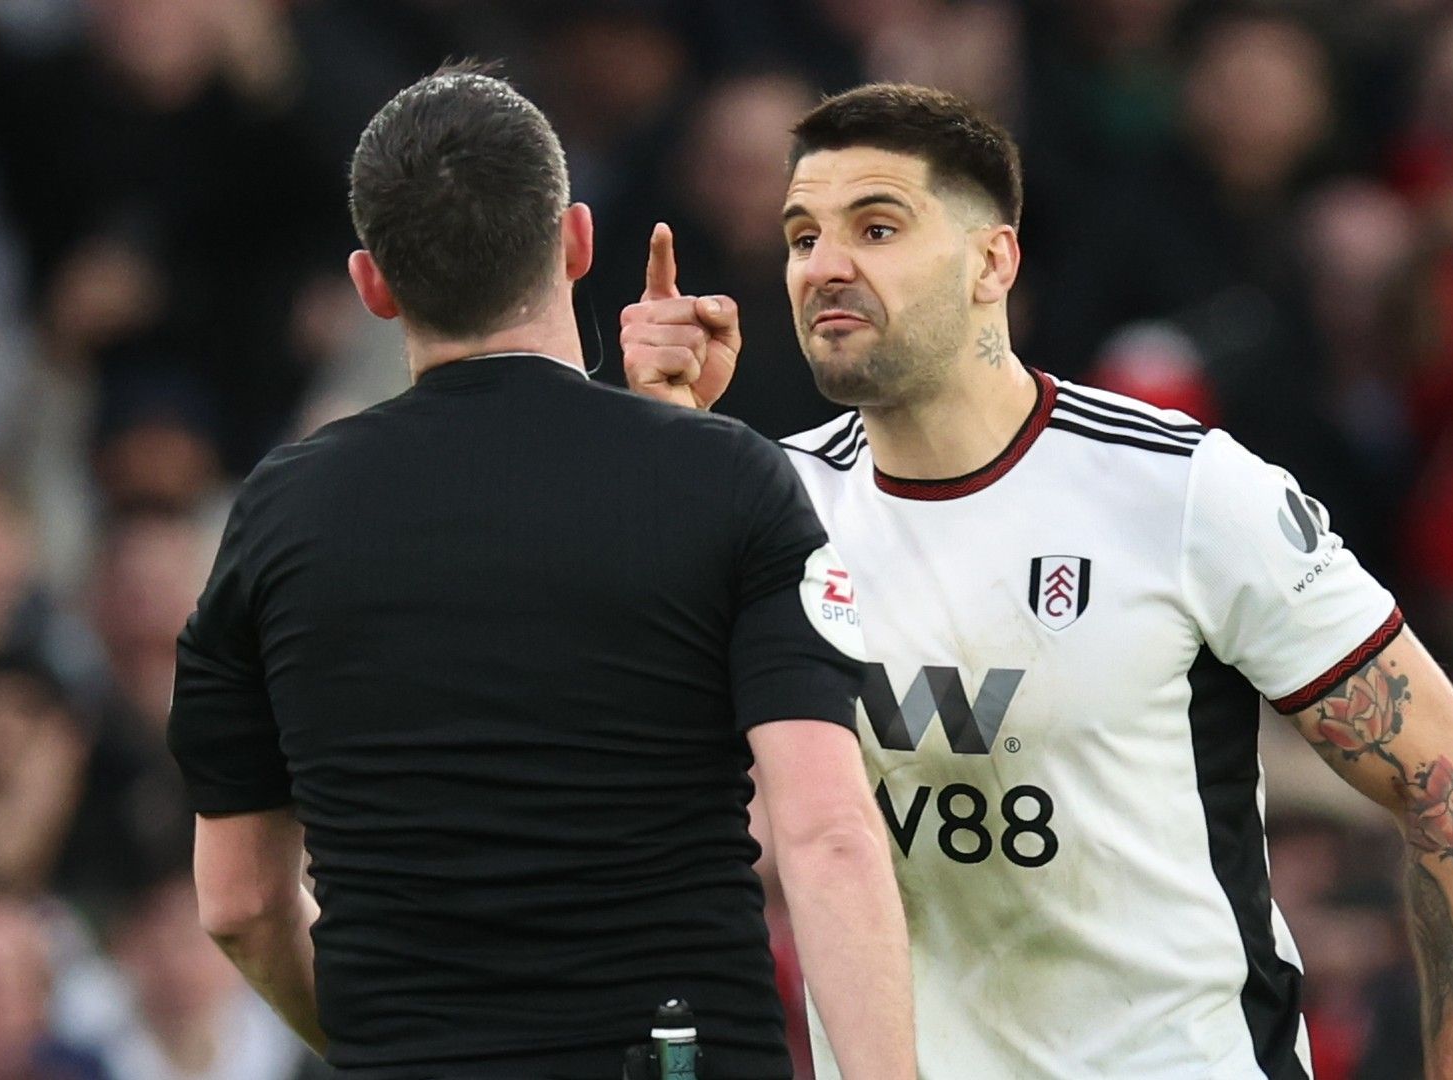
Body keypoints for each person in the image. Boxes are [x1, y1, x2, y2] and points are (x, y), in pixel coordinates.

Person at [622, 82, 1453, 1078]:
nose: (825, 267)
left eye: (876, 228)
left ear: (992, 261)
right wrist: (670, 454)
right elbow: (625, 776)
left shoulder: (1180, 490)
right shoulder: (771, 507)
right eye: (802, 237)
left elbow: (1448, 785)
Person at [167, 64, 914, 1079]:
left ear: (372, 285)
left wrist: (393, 1048)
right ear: (577, 242)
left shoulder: (279, 515)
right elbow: (827, 836)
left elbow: (242, 903)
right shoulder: (725, 480)